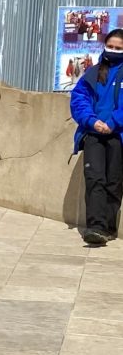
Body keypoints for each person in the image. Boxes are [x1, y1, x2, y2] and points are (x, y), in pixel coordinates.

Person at [71, 28, 123, 246]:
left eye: (119, 48)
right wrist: (92, 121)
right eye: (110, 46)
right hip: (93, 133)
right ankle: (96, 227)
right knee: (94, 179)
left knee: (114, 181)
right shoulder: (93, 73)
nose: (113, 50)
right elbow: (79, 99)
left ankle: (109, 227)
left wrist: (112, 122)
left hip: (117, 135)